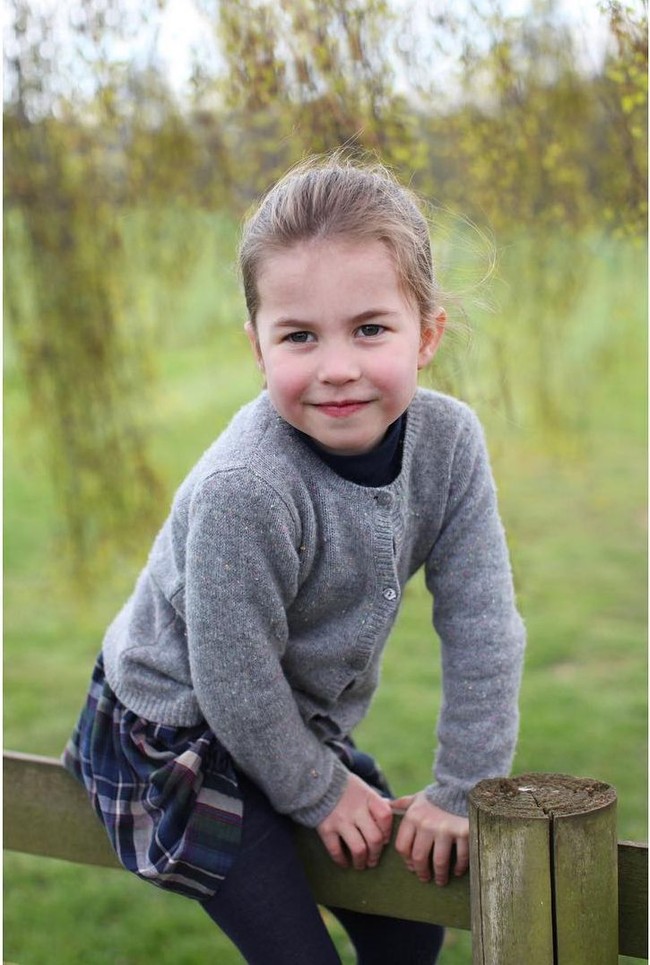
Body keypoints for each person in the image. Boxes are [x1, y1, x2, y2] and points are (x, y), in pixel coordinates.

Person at [63, 155, 526, 964]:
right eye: (300, 336)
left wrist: (459, 790)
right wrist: (319, 789)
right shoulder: (248, 487)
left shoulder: (450, 447)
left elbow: (484, 626)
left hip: (284, 717)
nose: (337, 366)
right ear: (257, 346)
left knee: (412, 922)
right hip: (174, 733)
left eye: (371, 328)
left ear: (428, 333)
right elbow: (230, 676)